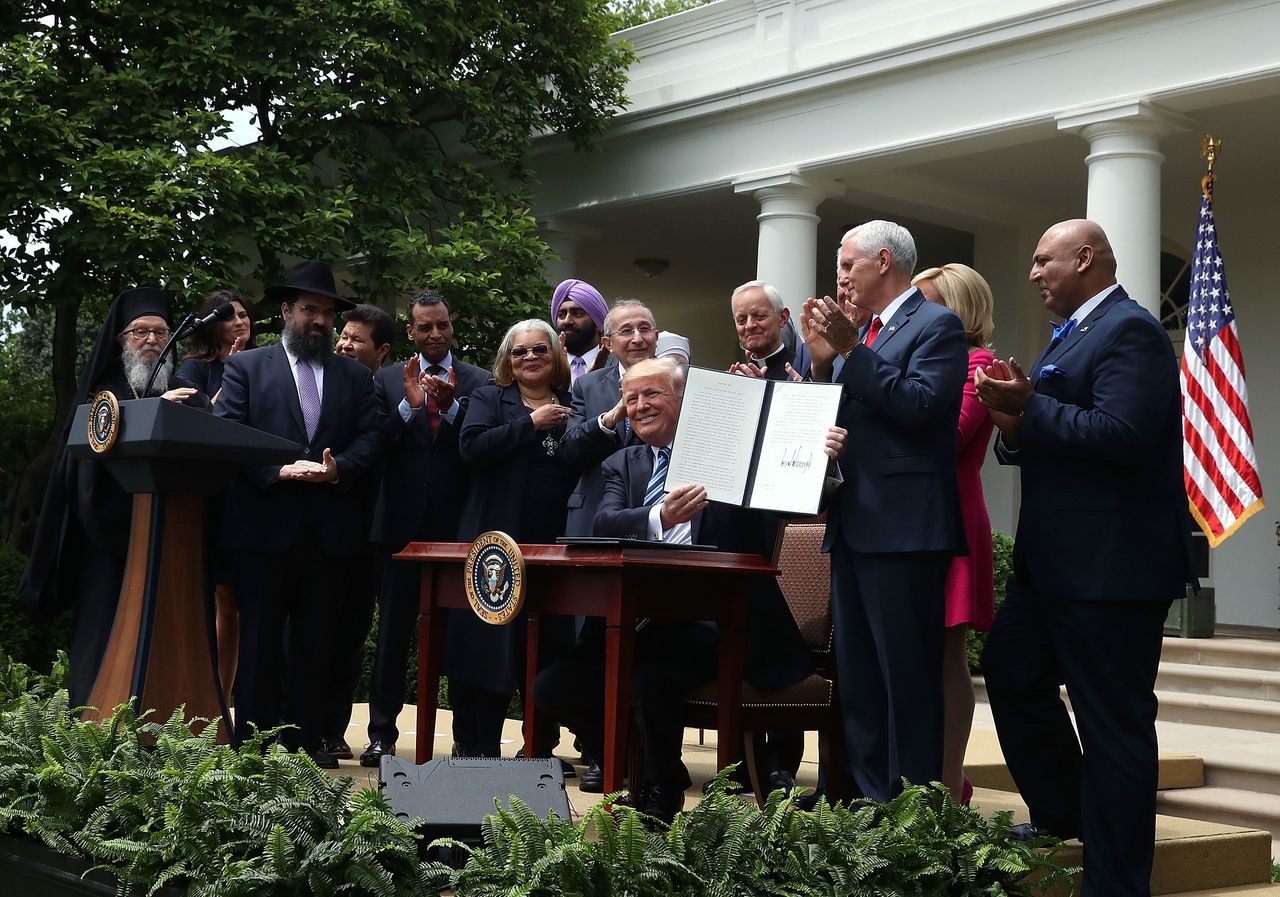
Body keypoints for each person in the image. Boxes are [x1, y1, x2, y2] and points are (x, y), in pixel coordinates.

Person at [974, 219, 1193, 896]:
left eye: (1045, 261)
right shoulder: (1072, 334)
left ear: (1086, 259)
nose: (1034, 272)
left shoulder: (1131, 331)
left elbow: (1123, 434)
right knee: (1011, 669)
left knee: (1114, 725)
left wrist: (1031, 409)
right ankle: (1066, 809)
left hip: (1110, 570)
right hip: (1051, 566)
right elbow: (1052, 433)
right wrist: (1014, 424)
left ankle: (1117, 881)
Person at [534, 357, 845, 824]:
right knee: (552, 687)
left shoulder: (730, 455)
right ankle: (645, 770)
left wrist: (821, 466)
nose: (639, 406)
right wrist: (661, 518)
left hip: (724, 623)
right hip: (641, 620)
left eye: (653, 394)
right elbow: (605, 521)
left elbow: (792, 498)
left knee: (647, 669)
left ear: (684, 400)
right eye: (632, 398)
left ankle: (660, 795)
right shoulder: (623, 462)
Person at [801, 220, 968, 803]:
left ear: (881, 261)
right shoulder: (865, 336)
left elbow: (922, 407)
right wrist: (824, 367)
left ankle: (917, 819)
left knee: (907, 681)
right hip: (852, 524)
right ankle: (871, 813)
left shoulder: (935, 324)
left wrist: (850, 350)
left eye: (847, 265)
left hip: (903, 532)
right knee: (861, 684)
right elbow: (851, 417)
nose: (840, 278)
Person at [215, 259, 382, 769]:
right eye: (310, 309)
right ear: (287, 310)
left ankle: (308, 740)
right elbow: (230, 434)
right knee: (261, 640)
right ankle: (256, 743)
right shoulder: (247, 367)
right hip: (264, 528)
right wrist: (276, 472)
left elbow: (373, 437)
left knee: (317, 643)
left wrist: (339, 471)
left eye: (328, 313)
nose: (320, 321)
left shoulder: (354, 376)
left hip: (329, 533)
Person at [18, 288, 204, 707]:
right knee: (102, 642)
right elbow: (92, 459)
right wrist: (155, 408)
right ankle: (96, 737)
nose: (153, 340)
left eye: (161, 332)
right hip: (106, 545)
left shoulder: (185, 391)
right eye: (141, 332)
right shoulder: (99, 395)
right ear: (122, 341)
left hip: (171, 542)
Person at [360, 289, 491, 767]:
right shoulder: (388, 379)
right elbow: (374, 443)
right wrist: (410, 408)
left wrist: (454, 408)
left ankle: (463, 738)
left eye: (443, 325)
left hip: (459, 529)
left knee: (460, 635)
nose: (435, 334)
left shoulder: (479, 381)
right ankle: (381, 735)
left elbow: (478, 448)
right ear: (410, 331)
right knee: (393, 634)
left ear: (451, 328)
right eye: (425, 327)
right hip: (398, 528)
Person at [445, 319, 577, 758]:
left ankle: (538, 751)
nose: (530, 358)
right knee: (486, 651)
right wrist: (531, 424)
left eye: (540, 350)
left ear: (556, 356)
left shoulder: (574, 403)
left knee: (546, 650)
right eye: (520, 352)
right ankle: (476, 750)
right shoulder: (489, 398)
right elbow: (472, 449)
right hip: (497, 550)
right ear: (508, 361)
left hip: (555, 551)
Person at [558, 299, 660, 789]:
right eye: (626, 331)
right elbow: (570, 450)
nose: (637, 338)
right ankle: (599, 751)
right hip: (596, 523)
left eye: (645, 328)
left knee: (646, 645)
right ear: (608, 342)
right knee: (589, 643)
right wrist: (612, 417)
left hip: (664, 530)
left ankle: (652, 755)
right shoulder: (588, 387)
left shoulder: (678, 381)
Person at [912, 263, 997, 805]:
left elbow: (950, 435)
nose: (916, 314)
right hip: (909, 521)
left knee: (947, 653)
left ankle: (948, 783)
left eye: (929, 303)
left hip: (952, 520)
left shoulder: (978, 363)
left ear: (961, 309)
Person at [177, 289, 256, 698]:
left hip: (244, 496)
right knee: (196, 596)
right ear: (211, 325)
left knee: (233, 602)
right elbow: (204, 418)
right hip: (204, 496)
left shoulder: (263, 366)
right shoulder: (193, 370)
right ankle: (189, 693)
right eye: (230, 316)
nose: (240, 322)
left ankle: (222, 699)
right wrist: (234, 372)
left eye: (244, 315)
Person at [728, 280, 811, 381]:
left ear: (783, 318)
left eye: (759, 316)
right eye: (741, 320)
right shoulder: (734, 377)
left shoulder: (804, 370)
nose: (749, 325)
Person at [552, 278, 609, 382]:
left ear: (598, 323)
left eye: (577, 314)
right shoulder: (549, 367)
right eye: (561, 315)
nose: (567, 321)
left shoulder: (616, 366)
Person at [336, 303, 394, 373]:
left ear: (382, 351)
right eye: (344, 337)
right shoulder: (323, 381)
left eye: (357, 340)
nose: (346, 345)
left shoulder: (393, 383)